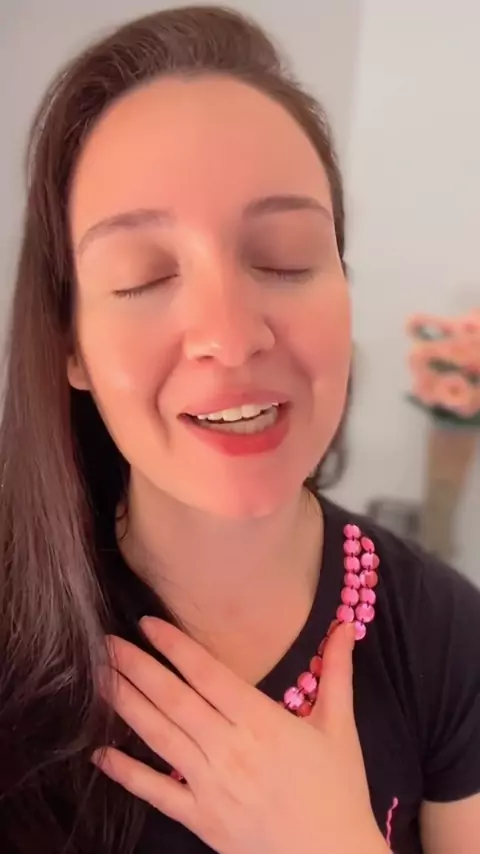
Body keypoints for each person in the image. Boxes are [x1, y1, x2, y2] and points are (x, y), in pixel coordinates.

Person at [0, 6, 479, 854]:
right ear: (69, 343)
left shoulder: (448, 635)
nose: (228, 335)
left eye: (285, 257)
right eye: (144, 275)